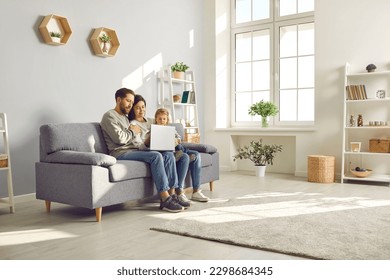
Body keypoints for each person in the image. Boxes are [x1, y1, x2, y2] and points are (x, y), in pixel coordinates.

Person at [100, 88, 187, 212]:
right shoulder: (109, 116)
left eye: (131, 102)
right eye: (128, 101)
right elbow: (120, 139)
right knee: (156, 156)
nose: (130, 104)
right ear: (118, 100)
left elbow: (134, 140)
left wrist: (146, 143)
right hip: (120, 153)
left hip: (133, 149)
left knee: (167, 154)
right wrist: (132, 131)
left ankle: (172, 194)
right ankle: (165, 199)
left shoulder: (125, 118)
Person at [128, 97, 209, 203]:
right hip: (154, 150)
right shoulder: (133, 124)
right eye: (137, 108)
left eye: (143, 107)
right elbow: (140, 145)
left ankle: (196, 191)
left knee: (196, 154)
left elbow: (163, 123)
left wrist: (174, 138)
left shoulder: (150, 120)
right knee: (183, 156)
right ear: (132, 109)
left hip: (169, 147)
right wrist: (150, 140)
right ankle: (178, 191)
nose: (141, 110)